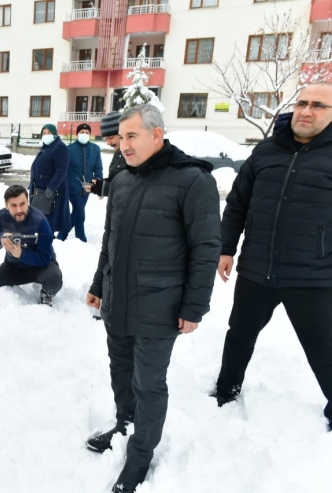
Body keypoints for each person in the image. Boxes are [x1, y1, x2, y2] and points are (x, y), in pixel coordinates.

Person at [85, 104, 221, 493]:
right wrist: (98, 285)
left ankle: (140, 455)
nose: (123, 145)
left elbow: (206, 247)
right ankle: (124, 423)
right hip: (118, 300)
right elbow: (109, 241)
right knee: (120, 370)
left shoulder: (192, 180)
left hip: (160, 306)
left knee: (149, 383)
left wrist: (194, 306)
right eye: (120, 138)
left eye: (132, 136)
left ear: (156, 135)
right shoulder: (123, 179)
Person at [212, 82, 332, 432]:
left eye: (319, 106)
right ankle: (225, 389)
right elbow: (237, 203)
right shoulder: (266, 151)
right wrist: (226, 247)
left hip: (312, 276)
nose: (307, 111)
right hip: (256, 269)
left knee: (323, 349)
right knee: (239, 335)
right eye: (302, 103)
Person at [0, 185, 63, 306]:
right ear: (6, 205)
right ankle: (12, 292)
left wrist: (21, 254)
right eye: (13, 206)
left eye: (22, 204)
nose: (19, 210)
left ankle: (46, 295)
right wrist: (0, 238)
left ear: (28, 202)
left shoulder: (40, 220)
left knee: (54, 278)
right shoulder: (1, 217)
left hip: (40, 267)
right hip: (14, 266)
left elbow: (45, 258)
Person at [29, 124, 71, 240]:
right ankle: (45, 242)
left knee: (49, 219)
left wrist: (52, 187)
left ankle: (48, 246)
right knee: (42, 220)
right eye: (44, 133)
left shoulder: (59, 147)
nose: (46, 135)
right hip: (40, 193)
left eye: (49, 133)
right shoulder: (46, 147)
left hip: (51, 194)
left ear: (55, 134)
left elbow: (62, 169)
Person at [63, 122, 102, 242]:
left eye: (87, 133)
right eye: (82, 132)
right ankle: (81, 240)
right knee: (80, 214)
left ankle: (61, 235)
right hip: (73, 188)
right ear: (77, 134)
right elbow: (64, 169)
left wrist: (98, 182)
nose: (84, 134)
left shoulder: (95, 149)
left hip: (88, 188)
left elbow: (98, 168)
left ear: (90, 134)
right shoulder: (69, 149)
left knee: (75, 214)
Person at [88, 111, 128, 198]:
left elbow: (131, 189)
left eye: (111, 138)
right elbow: (116, 180)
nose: (108, 143)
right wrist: (100, 182)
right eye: (106, 139)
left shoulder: (133, 155)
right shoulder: (118, 152)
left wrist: (103, 188)